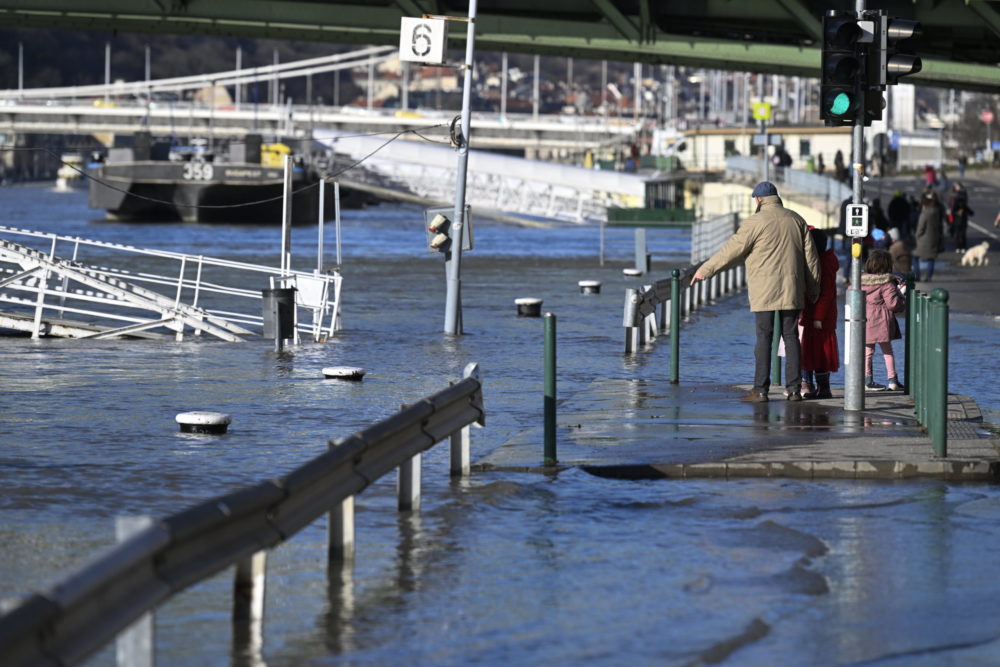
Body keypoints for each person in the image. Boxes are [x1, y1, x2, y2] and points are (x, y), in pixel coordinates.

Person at [691, 181, 821, 402]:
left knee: (764, 338)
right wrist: (813, 289)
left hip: (764, 289)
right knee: (791, 338)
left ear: (759, 199)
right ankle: (794, 389)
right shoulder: (796, 219)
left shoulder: (755, 222)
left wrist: (706, 270)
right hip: (792, 288)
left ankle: (760, 390)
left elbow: (731, 250)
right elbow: (812, 260)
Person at [799, 228, 839, 399]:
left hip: (818, 317)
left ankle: (823, 389)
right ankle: (822, 388)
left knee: (818, 353)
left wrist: (817, 317)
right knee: (818, 353)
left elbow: (825, 293)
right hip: (820, 316)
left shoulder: (821, 264)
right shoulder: (827, 261)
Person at [857, 250, 905, 391]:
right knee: (887, 351)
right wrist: (903, 300)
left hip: (865, 319)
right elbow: (893, 304)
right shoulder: (886, 283)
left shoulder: (861, 281)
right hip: (882, 320)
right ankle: (892, 380)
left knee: (867, 352)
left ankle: (867, 380)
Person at [913, 190, 944, 282]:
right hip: (934, 237)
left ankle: (917, 276)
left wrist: (917, 236)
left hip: (924, 239)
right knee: (931, 258)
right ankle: (928, 277)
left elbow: (920, 228)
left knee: (915, 257)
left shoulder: (925, 213)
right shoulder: (936, 211)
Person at [947, 182, 974, 253]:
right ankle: (962, 247)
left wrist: (950, 217)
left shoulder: (955, 197)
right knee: (962, 233)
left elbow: (952, 209)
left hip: (957, 218)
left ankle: (959, 247)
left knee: (958, 233)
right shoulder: (962, 196)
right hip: (961, 218)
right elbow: (966, 207)